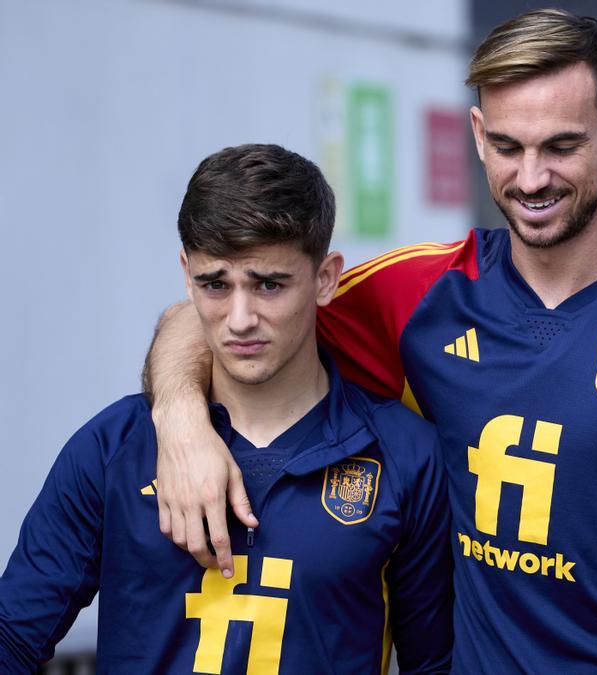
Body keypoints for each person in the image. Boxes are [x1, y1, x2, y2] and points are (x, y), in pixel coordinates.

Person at [145, 9, 597, 674]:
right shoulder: (422, 296)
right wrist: (179, 419)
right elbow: (220, 315)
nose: (530, 179)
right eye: (507, 146)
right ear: (476, 134)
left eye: (561, 146)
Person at [0, 144, 452, 673]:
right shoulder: (112, 447)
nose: (240, 319)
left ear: (326, 278)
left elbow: (433, 664)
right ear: (185, 272)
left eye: (268, 284)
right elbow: (13, 636)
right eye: (215, 285)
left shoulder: (406, 454)